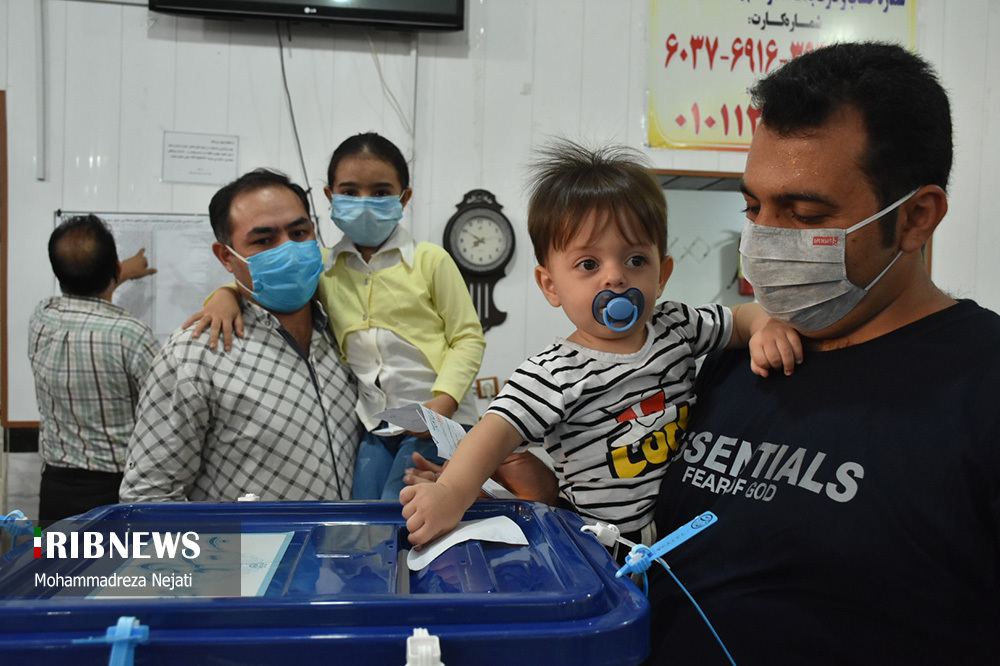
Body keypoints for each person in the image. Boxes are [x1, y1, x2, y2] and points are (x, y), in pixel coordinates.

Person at [646, 42, 1000, 665]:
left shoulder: (983, 384)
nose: (763, 239)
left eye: (805, 214)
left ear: (917, 218)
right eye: (752, 207)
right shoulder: (744, 353)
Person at [400, 140, 802, 549]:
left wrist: (764, 324)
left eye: (635, 260)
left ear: (662, 275)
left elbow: (739, 319)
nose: (615, 277)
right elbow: (492, 433)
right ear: (551, 285)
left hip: (683, 532)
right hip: (599, 544)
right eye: (589, 264)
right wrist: (450, 493)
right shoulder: (552, 374)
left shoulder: (677, 325)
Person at [190, 133, 487, 501]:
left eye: (380, 192)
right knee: (361, 509)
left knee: (404, 506)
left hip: (440, 419)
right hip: (376, 425)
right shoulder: (324, 267)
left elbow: (467, 338)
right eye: (350, 191)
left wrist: (445, 401)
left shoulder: (431, 260)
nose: (364, 202)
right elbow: (266, 282)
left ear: (404, 197)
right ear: (330, 197)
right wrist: (224, 295)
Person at [119, 168, 362, 502]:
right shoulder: (193, 358)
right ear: (226, 257)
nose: (288, 249)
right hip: (247, 540)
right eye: (264, 240)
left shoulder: (347, 330)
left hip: (354, 535)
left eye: (299, 232)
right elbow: (147, 497)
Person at [30, 214, 159, 523]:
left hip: (54, 490)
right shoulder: (133, 335)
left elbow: (82, 300)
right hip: (116, 494)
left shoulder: (42, 318)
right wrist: (117, 273)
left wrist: (119, 273)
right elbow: (164, 413)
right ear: (115, 268)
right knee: (121, 558)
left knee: (50, 555)